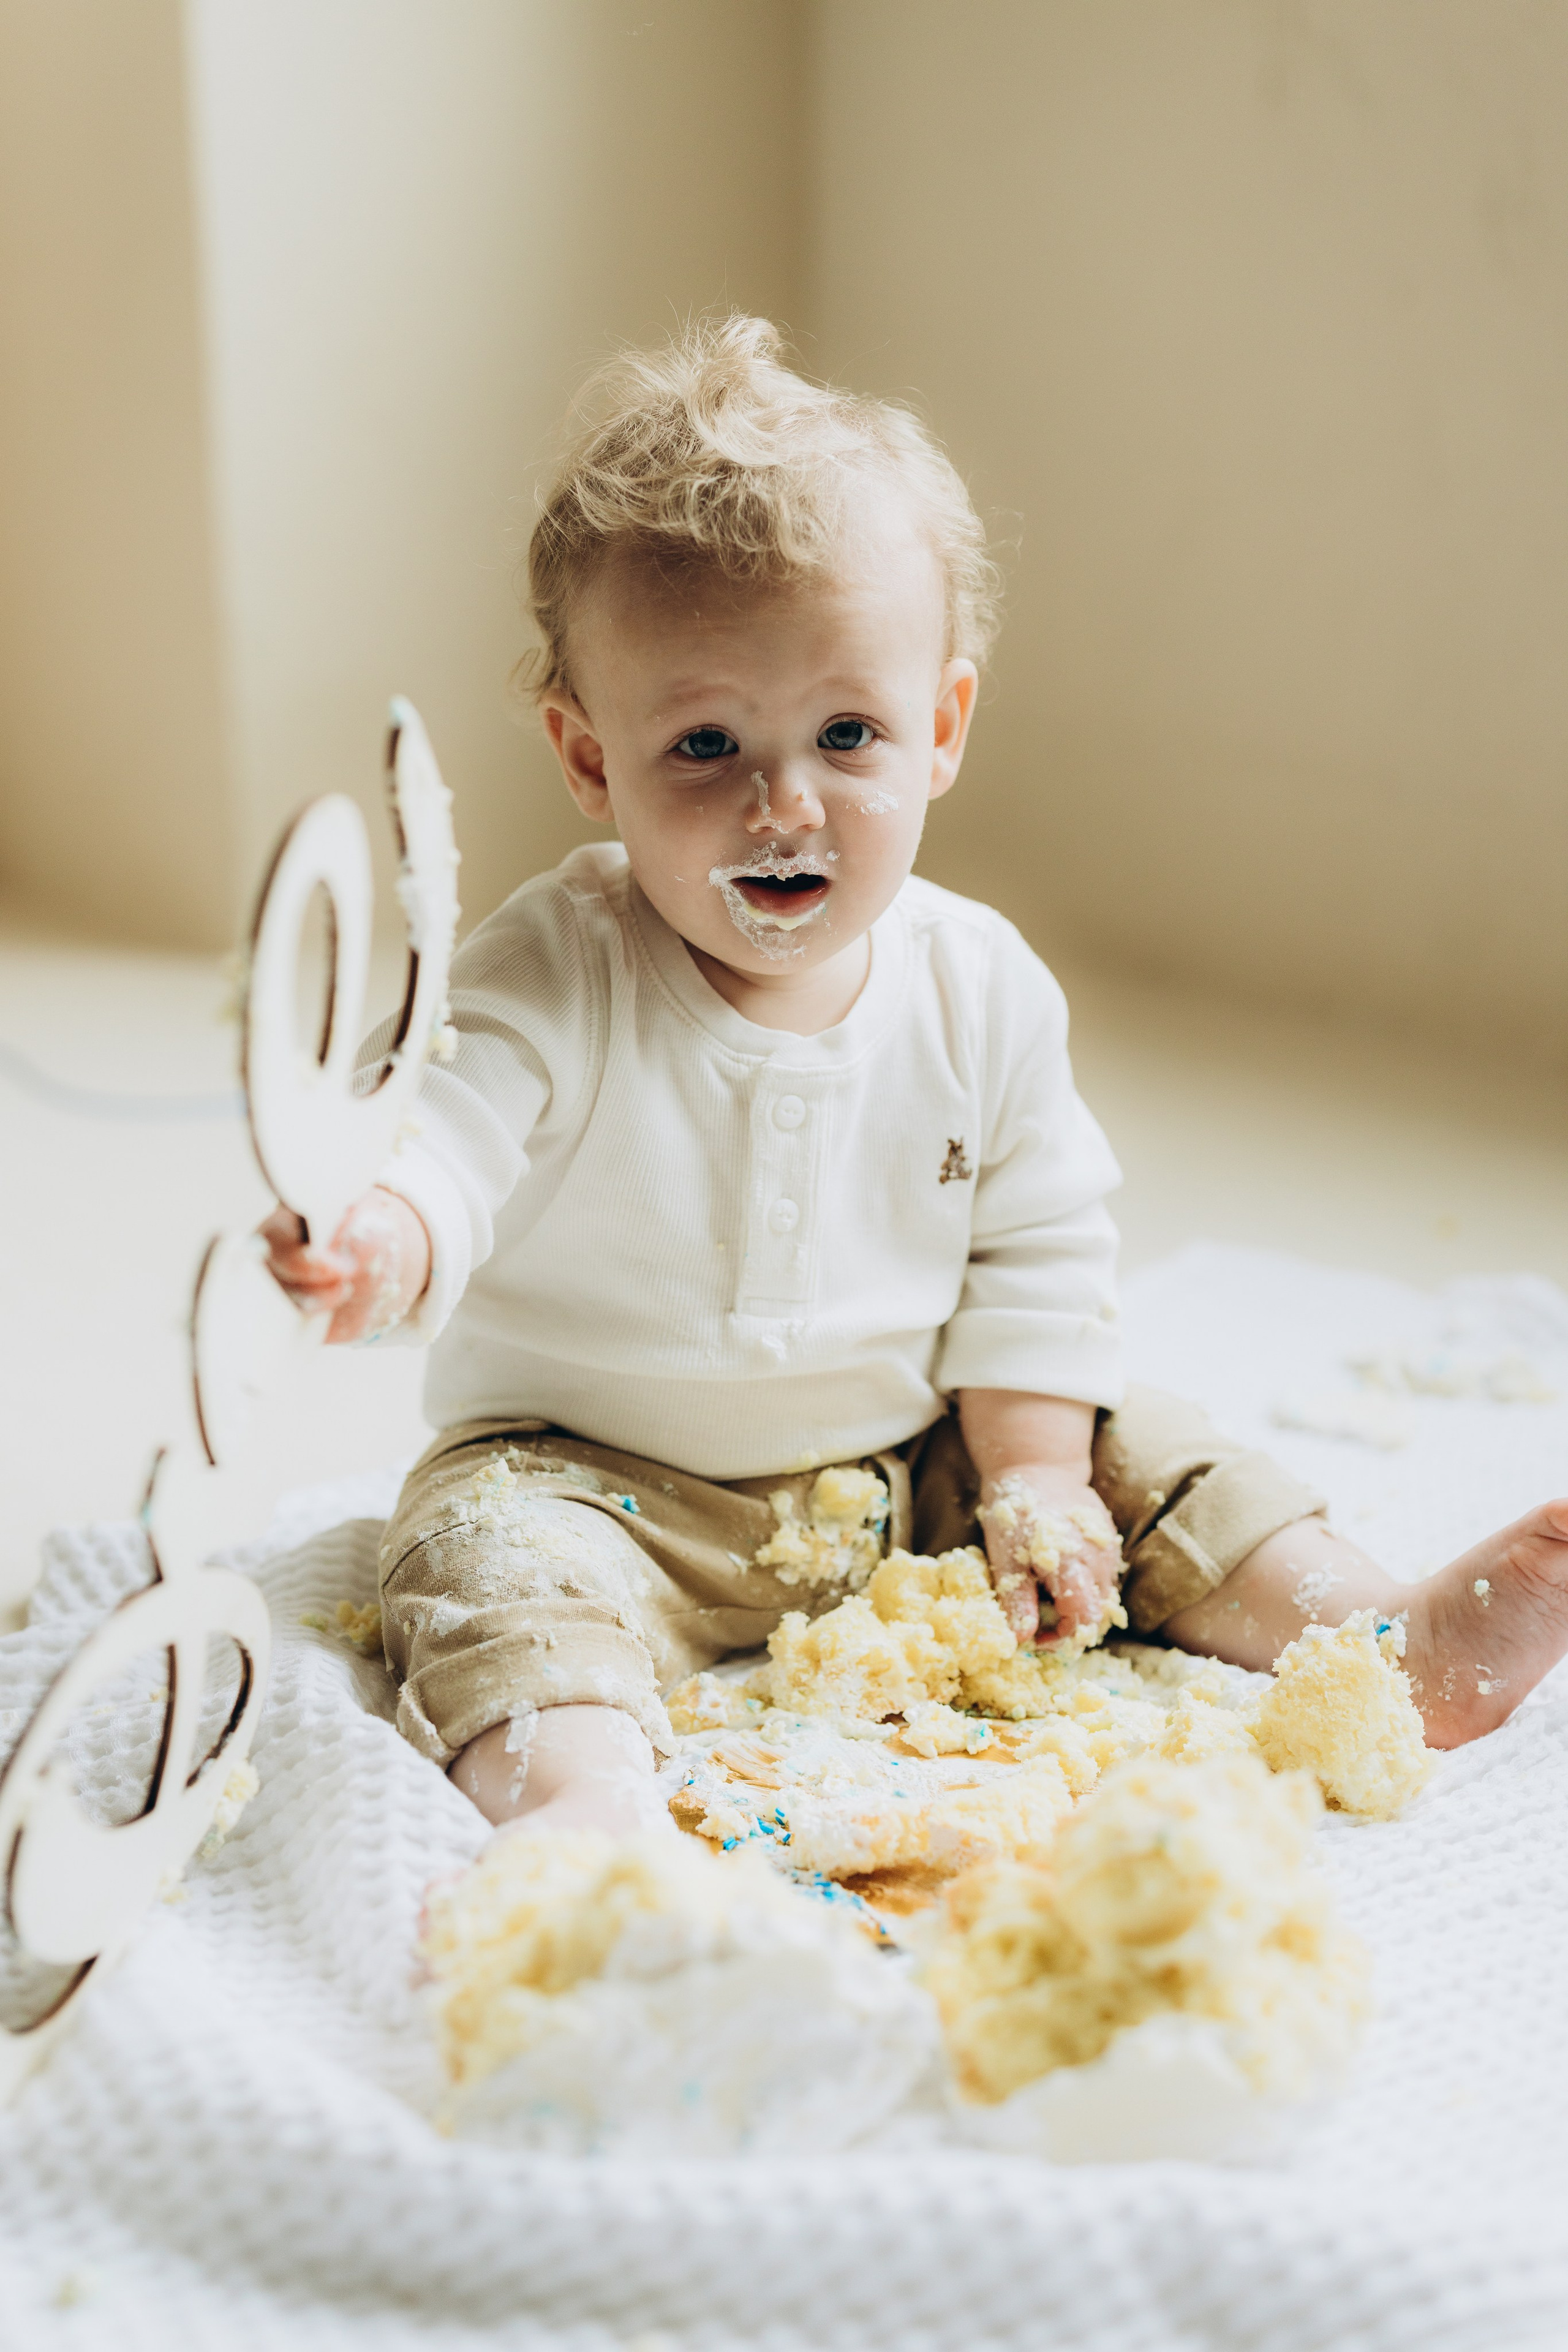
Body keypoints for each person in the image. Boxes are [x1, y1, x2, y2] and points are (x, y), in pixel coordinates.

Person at [264, 316, 1568, 1841]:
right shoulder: (554, 967)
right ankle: (579, 1799)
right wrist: (388, 1231)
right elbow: (449, 1124)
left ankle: (1374, 1638)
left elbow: (1036, 1249)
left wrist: (1029, 1470)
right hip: (592, 1482)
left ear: (938, 728)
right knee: (478, 1562)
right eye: (700, 743)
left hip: (906, 1464)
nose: (782, 804)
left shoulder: (980, 988)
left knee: (1131, 1437)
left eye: (845, 733)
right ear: (585, 756)